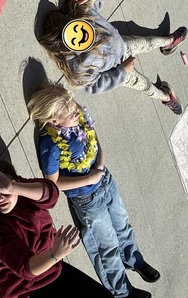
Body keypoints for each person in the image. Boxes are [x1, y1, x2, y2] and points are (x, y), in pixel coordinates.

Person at [27, 85, 159, 298]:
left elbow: (93, 136)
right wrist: (89, 178)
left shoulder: (78, 116)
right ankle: (123, 292)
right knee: (106, 246)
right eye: (70, 113)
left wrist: (101, 162)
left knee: (122, 225)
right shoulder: (51, 146)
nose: (76, 113)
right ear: (54, 121)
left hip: (105, 180)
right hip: (87, 199)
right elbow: (53, 184)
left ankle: (134, 259)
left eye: (74, 107)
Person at [36, 0, 186, 114]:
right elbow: (95, 86)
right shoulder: (78, 66)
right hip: (118, 69)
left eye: (77, 26)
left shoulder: (84, 14)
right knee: (145, 85)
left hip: (123, 46)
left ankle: (169, 42)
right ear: (65, 49)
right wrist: (122, 72)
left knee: (148, 42)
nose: (83, 33)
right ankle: (166, 97)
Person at [0, 159, 112, 297]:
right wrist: (55, 254)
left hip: (52, 268)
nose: (0, 198)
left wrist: (14, 187)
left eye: (5, 190)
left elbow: (52, 193)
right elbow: (25, 268)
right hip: (25, 289)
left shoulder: (23, 191)